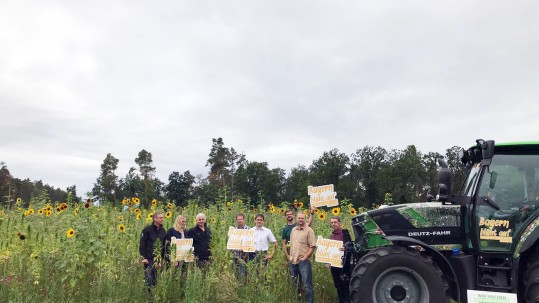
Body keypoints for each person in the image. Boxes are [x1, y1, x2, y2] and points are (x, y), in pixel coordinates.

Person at [290, 212, 316, 303]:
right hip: (293, 261)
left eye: (302, 218)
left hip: (304, 262)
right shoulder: (293, 230)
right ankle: (298, 300)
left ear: (305, 219)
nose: (300, 220)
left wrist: (305, 257)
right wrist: (291, 256)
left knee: (307, 285)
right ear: (296, 219)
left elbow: (312, 246)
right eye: (299, 218)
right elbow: (292, 244)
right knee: (295, 284)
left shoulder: (309, 230)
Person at [139, 211, 166, 289]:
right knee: (149, 280)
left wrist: (163, 258)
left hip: (158, 260)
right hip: (149, 259)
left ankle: (155, 296)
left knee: (156, 280)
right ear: (155, 219)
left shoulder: (163, 230)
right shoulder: (147, 230)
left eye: (162, 218)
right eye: (160, 218)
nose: (162, 219)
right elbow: (142, 244)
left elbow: (164, 245)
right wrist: (143, 258)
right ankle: (148, 298)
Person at [327, 216, 350, 303]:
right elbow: (329, 251)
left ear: (339, 223)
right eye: (332, 222)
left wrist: (345, 249)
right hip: (334, 265)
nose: (333, 224)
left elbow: (350, 247)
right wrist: (328, 261)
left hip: (343, 264)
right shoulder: (332, 235)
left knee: (345, 286)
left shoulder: (344, 234)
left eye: (335, 222)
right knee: (338, 286)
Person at [232, 213, 250, 280]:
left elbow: (250, 243)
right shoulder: (233, 230)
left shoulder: (249, 230)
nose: (240, 221)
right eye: (238, 219)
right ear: (236, 220)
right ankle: (235, 287)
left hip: (244, 255)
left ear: (244, 220)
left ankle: (242, 288)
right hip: (235, 254)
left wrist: (246, 254)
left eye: (241, 219)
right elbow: (231, 242)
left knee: (243, 273)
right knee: (235, 272)